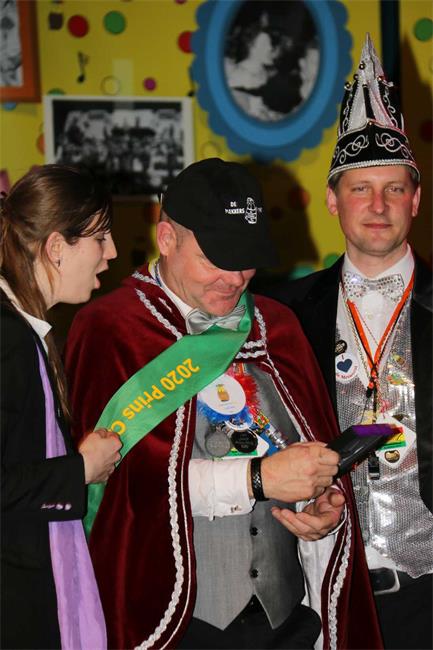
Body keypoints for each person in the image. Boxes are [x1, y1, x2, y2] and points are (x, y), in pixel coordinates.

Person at [64, 157, 382, 650]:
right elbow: (113, 493)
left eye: (246, 260)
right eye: (215, 259)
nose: (234, 279)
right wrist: (258, 479)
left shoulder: (277, 325)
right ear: (166, 238)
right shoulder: (108, 329)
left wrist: (321, 508)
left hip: (285, 620)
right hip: (172, 622)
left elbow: (304, 447)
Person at [279, 34, 432, 650]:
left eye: (393, 188)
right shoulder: (284, 314)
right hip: (323, 587)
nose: (377, 204)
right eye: (359, 188)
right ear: (332, 200)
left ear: (415, 199)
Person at [0, 164, 122, 650]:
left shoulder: (22, 330)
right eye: (100, 238)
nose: (112, 253)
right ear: (56, 247)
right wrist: (80, 470)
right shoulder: (8, 339)